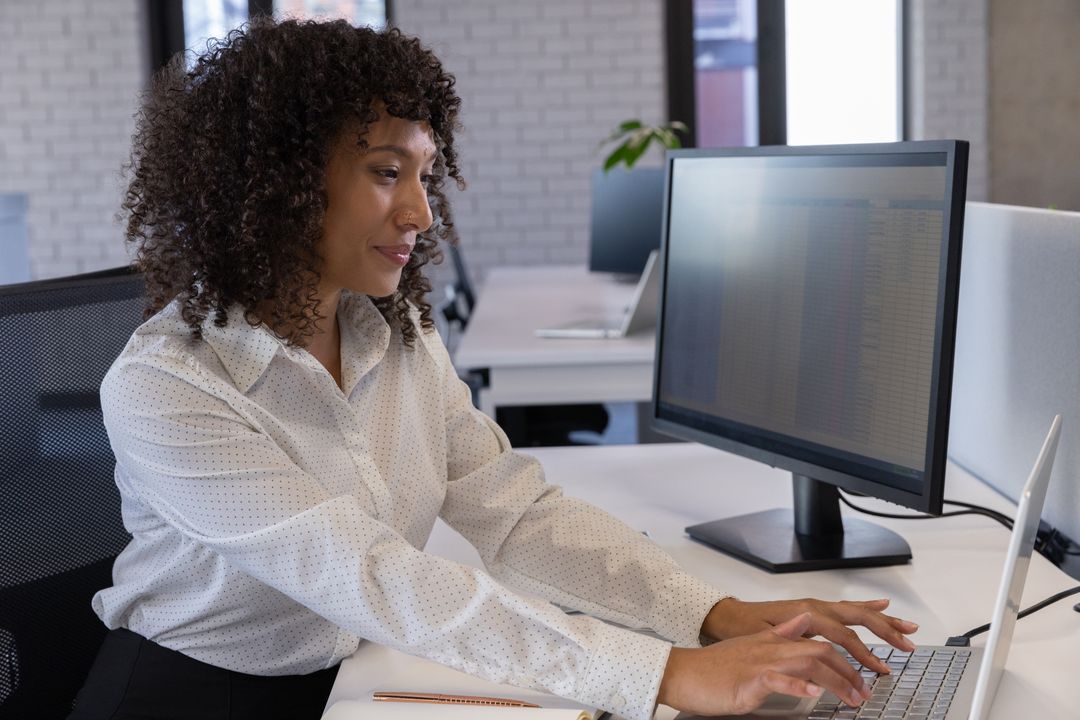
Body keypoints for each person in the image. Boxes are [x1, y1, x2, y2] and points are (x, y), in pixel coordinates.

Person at [71, 18, 918, 720]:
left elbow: (513, 513)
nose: (419, 211)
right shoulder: (167, 388)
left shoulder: (393, 335)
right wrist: (662, 673)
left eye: (426, 175)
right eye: (385, 172)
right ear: (277, 181)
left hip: (350, 674)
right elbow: (369, 573)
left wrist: (709, 616)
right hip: (190, 695)